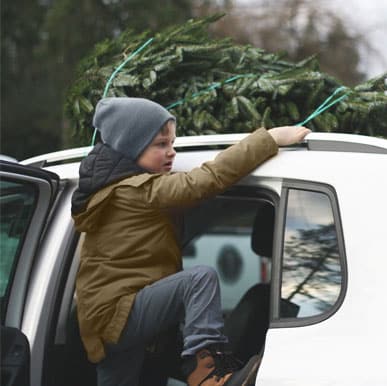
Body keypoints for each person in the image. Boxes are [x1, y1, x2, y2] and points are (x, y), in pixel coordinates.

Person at [71, 97, 310, 386]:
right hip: (119, 314)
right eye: (161, 144)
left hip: (108, 321)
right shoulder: (136, 191)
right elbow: (205, 180)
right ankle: (208, 370)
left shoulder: (118, 194)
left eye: (172, 143)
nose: (171, 153)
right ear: (130, 146)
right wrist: (269, 138)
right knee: (199, 280)